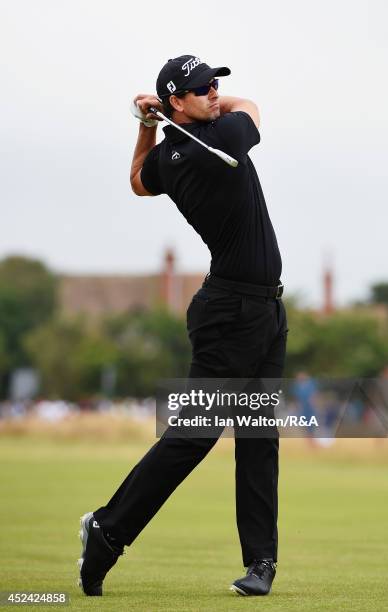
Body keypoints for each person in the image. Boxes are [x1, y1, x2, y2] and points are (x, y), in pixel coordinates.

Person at [78, 55, 288, 598]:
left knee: (259, 438)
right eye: (202, 89)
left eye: (216, 84)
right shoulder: (224, 139)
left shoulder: (171, 154)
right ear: (178, 101)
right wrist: (168, 117)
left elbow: (137, 183)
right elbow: (254, 108)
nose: (216, 94)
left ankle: (260, 562)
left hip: (261, 309)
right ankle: (108, 529)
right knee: (194, 436)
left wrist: (146, 124)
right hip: (231, 314)